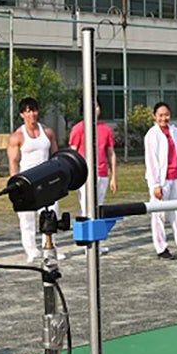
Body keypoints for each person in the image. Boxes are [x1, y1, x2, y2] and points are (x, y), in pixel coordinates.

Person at [9, 97, 63, 264]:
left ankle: (50, 245)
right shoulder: (17, 136)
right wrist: (14, 185)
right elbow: (13, 162)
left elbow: (56, 157)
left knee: (50, 214)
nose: (31, 114)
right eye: (27, 111)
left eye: (34, 110)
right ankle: (31, 250)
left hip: (46, 179)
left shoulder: (47, 133)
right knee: (27, 219)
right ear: (22, 114)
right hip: (27, 180)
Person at [143, 101, 177, 258]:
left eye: (166, 115)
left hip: (175, 178)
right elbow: (151, 161)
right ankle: (161, 248)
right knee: (159, 215)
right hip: (161, 180)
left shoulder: (175, 131)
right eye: (160, 115)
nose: (164, 118)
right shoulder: (152, 135)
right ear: (154, 116)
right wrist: (155, 184)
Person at [68, 102, 118, 253]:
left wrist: (114, 176)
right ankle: (87, 243)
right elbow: (73, 154)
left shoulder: (106, 129)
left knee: (99, 208)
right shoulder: (78, 129)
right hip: (85, 175)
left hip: (102, 173)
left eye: (96, 106)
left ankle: (97, 242)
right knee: (86, 208)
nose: (94, 109)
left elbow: (111, 153)